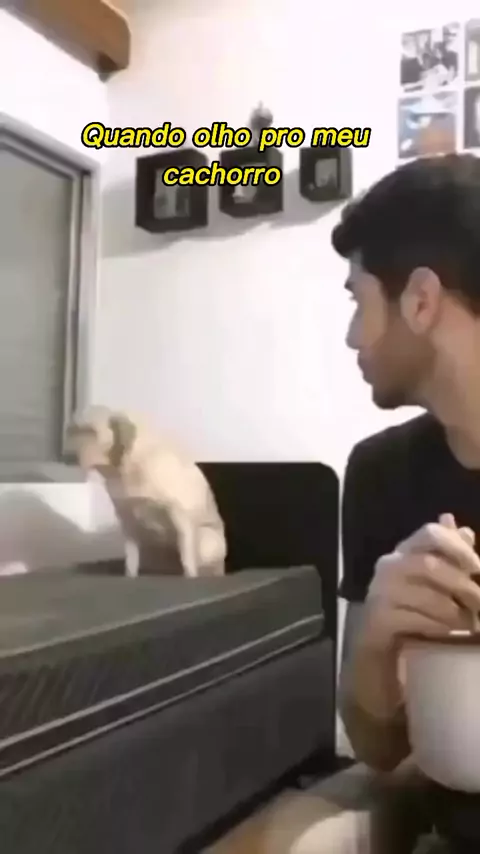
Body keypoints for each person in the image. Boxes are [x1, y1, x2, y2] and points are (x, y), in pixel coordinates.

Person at [330, 154, 480, 834]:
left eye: (358, 301)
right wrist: (375, 647)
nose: (351, 336)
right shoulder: (380, 473)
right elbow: (378, 748)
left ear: (420, 301)